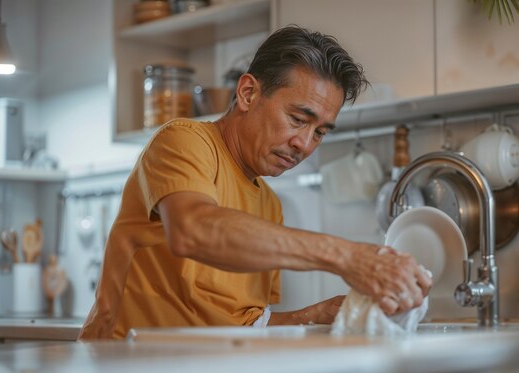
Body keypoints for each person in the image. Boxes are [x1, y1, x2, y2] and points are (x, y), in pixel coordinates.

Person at [79, 25, 432, 340]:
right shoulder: (184, 141)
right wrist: (348, 257)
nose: (304, 144)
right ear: (248, 93)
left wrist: (313, 316)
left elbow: (243, 324)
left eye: (320, 132)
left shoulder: (269, 207)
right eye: (297, 118)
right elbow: (193, 229)